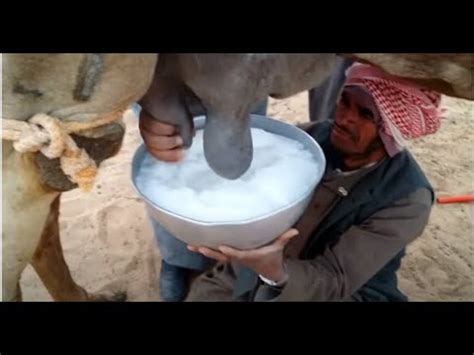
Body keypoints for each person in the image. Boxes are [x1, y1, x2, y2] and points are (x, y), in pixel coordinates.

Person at [141, 63, 443, 301]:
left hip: (339, 291)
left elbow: (335, 278)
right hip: (260, 267)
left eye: (364, 114)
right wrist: (166, 131)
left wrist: (274, 269)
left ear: (392, 131)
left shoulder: (407, 199)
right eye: (345, 101)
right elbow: (235, 165)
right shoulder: (307, 141)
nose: (344, 117)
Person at [138, 98, 268, 302]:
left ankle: (238, 251)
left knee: (241, 138)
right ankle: (175, 258)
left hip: (241, 74)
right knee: (167, 143)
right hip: (164, 76)